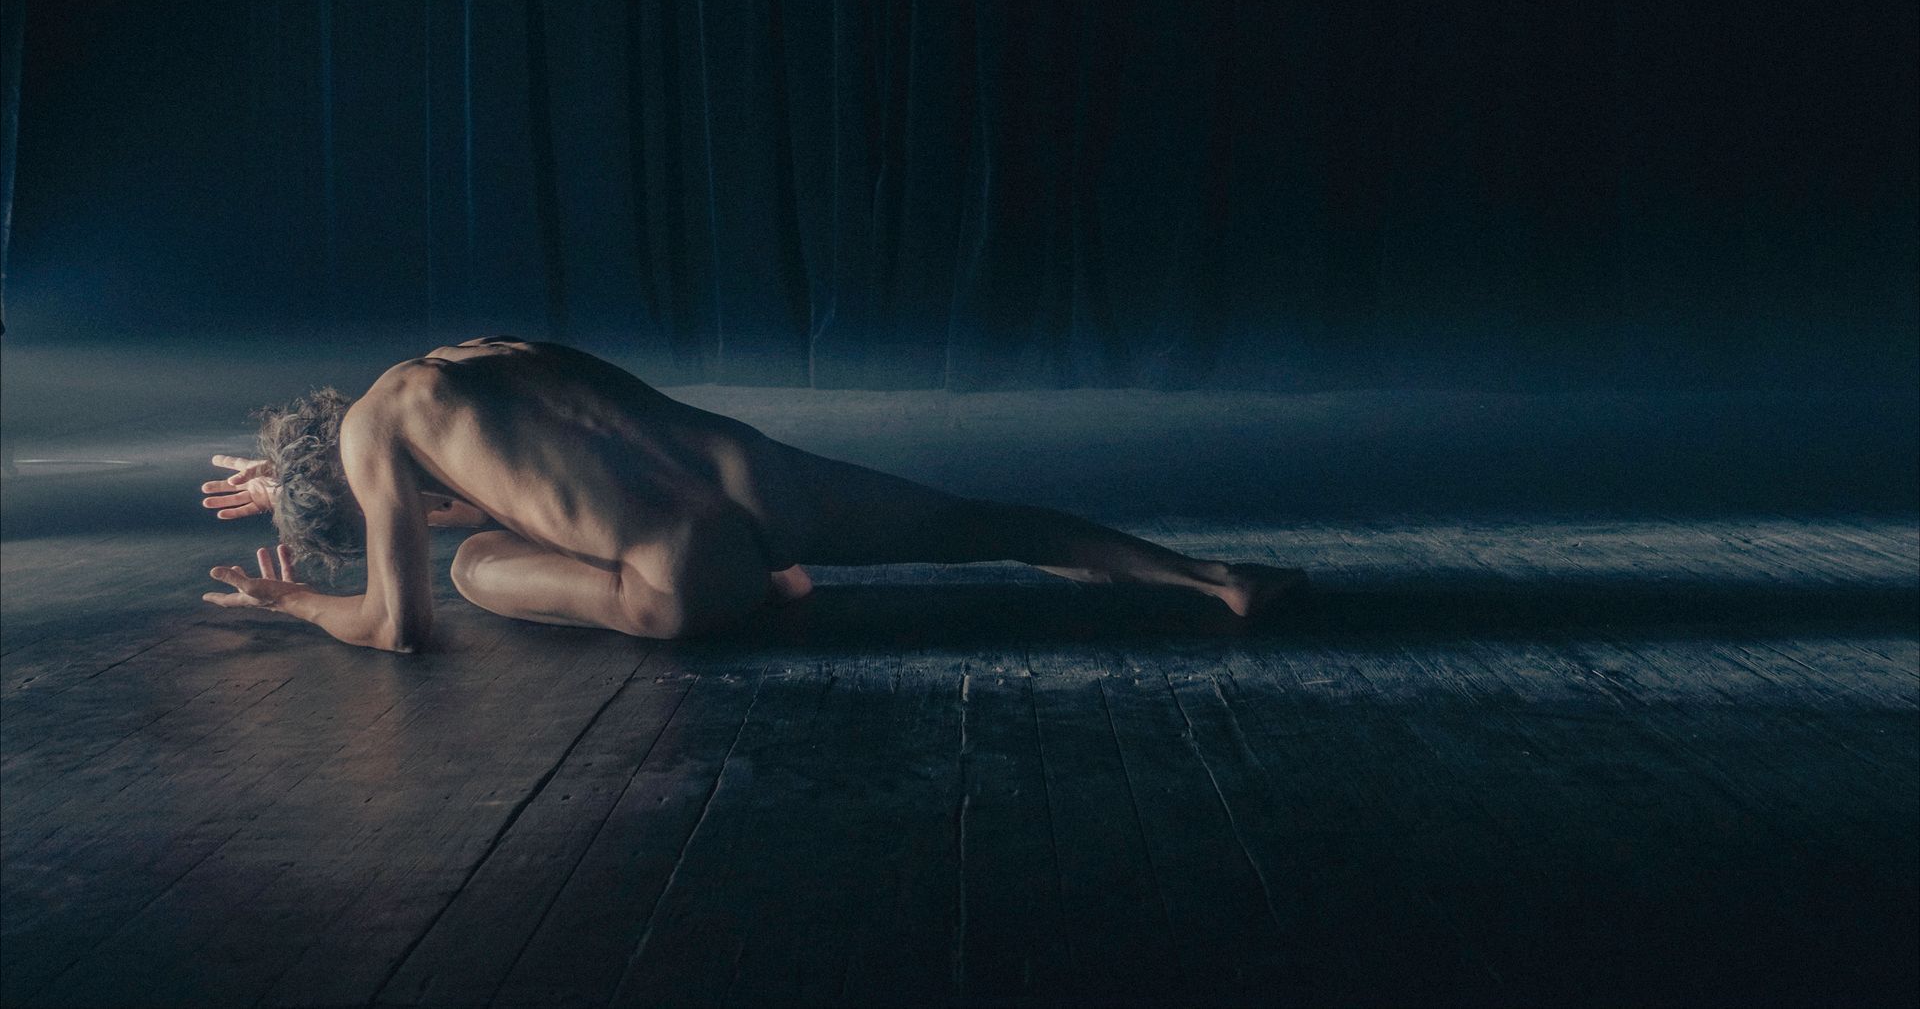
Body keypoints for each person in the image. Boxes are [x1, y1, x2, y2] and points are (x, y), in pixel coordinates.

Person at [199, 337, 1308, 652]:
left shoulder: (377, 447)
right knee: (979, 524)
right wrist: (292, 474)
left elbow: (400, 629)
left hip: (678, 579)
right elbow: (507, 470)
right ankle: (1213, 581)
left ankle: (755, 594)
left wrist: (294, 600)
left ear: (347, 486)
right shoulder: (460, 364)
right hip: (757, 482)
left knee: (475, 564)